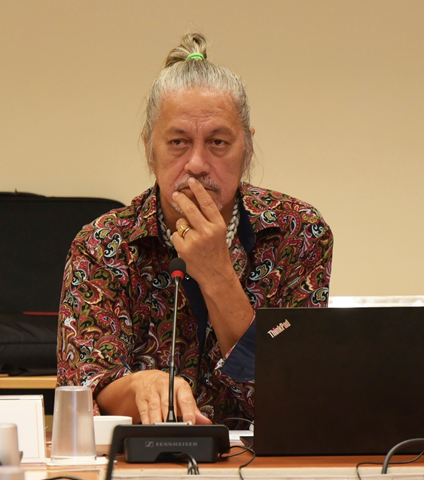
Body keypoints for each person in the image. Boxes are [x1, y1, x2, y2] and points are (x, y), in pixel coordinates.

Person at [57, 32, 333, 426]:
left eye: (218, 142)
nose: (198, 164)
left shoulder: (299, 232)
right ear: (150, 149)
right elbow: (80, 397)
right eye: (178, 142)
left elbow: (299, 398)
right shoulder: (102, 245)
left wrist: (217, 274)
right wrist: (140, 386)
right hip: (145, 454)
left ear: (247, 149)